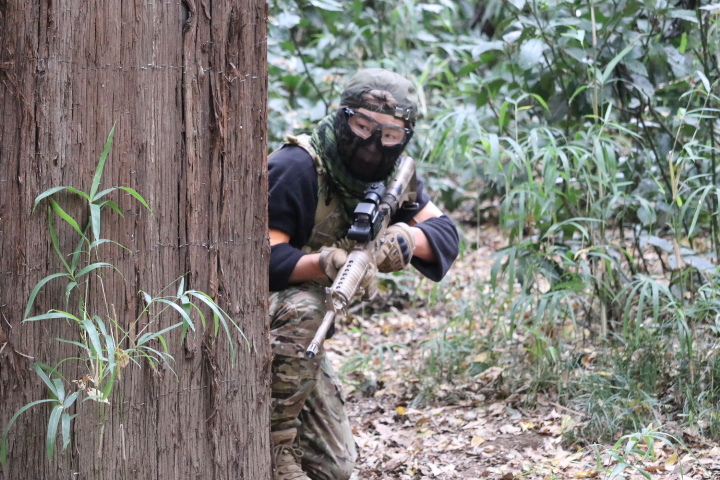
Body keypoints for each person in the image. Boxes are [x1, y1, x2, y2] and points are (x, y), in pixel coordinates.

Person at [268, 68, 460, 480]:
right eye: (362, 126)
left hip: (299, 342)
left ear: (404, 137)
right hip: (259, 318)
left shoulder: (392, 179)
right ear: (343, 118)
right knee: (307, 306)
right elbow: (261, 262)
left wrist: (405, 240)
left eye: (389, 134)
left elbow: (445, 234)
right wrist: (325, 263)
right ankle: (273, 448)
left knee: (334, 468)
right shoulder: (296, 167)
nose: (373, 144)